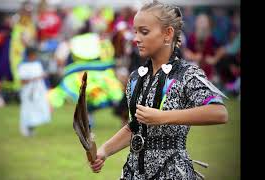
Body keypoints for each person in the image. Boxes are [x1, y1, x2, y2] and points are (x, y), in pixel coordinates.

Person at [89, 1, 228, 179]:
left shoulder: (186, 74)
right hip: (134, 172)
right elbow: (136, 127)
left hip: (172, 171)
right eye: (135, 32)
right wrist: (105, 150)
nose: (136, 38)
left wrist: (162, 117)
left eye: (144, 32)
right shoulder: (136, 78)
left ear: (168, 34)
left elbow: (219, 112)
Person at [18, 47, 51, 137]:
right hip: (28, 92)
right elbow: (22, 81)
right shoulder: (23, 65)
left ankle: (32, 128)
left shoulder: (37, 64)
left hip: (38, 90)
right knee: (27, 109)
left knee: (37, 109)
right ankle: (25, 128)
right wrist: (35, 78)